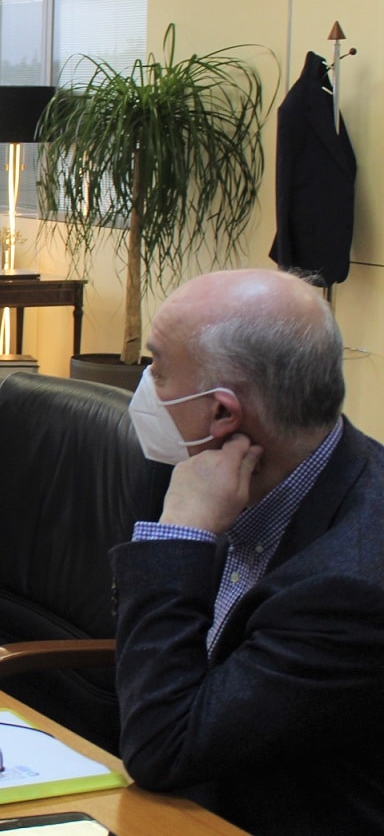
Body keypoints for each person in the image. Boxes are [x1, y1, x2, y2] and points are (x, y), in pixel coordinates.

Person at [113, 268, 384, 834]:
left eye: (157, 369)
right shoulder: (229, 475)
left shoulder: (349, 588)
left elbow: (165, 747)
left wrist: (180, 537)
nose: (146, 385)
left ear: (221, 414)